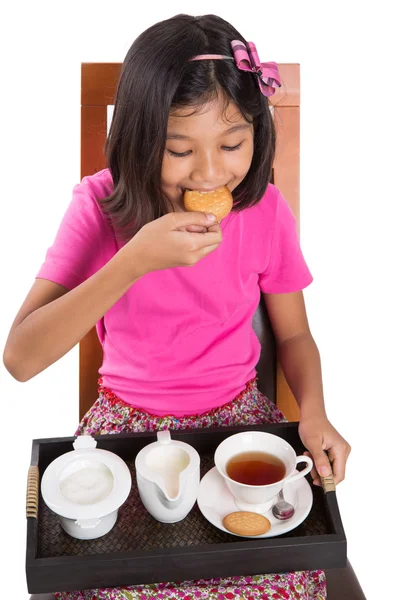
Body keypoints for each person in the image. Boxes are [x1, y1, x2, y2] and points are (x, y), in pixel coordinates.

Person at [3, 13, 351, 600]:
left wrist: (314, 412)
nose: (211, 172)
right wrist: (131, 260)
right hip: (126, 425)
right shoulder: (100, 206)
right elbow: (20, 357)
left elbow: (294, 337)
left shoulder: (263, 209)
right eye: (179, 149)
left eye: (233, 143)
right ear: (140, 139)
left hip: (237, 425)